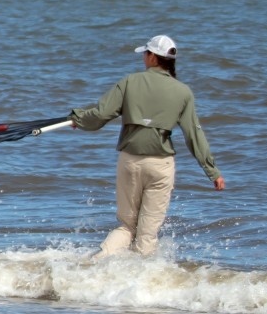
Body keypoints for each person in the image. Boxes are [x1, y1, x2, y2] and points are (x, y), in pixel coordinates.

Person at [69, 35, 223, 259]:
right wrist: (212, 171)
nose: (143, 57)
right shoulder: (183, 92)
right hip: (161, 166)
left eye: (145, 53)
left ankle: (93, 265)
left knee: (126, 227)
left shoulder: (130, 82)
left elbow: (100, 115)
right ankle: (143, 286)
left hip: (130, 161)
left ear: (152, 57)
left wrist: (79, 119)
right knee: (147, 235)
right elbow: (194, 135)